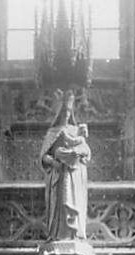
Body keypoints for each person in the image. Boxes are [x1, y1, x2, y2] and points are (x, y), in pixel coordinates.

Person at [39, 91, 92, 242]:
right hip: (58, 175)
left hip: (75, 175)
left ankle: (75, 233)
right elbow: (43, 156)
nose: (66, 115)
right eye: (64, 111)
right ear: (58, 113)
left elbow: (87, 153)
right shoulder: (53, 132)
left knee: (74, 201)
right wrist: (53, 161)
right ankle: (57, 234)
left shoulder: (76, 131)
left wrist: (77, 153)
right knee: (60, 204)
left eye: (69, 111)